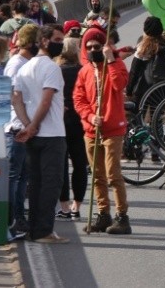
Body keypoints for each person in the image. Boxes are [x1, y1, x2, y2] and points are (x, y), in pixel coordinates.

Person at [12, 24, 69, 244]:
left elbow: (16, 98)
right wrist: (33, 125)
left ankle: (34, 229)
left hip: (33, 135)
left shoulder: (24, 67)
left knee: (35, 184)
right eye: (57, 39)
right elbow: (46, 100)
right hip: (51, 134)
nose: (61, 44)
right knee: (51, 184)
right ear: (44, 41)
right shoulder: (51, 68)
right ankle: (44, 231)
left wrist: (27, 125)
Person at [73, 27, 132, 234]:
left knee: (113, 174)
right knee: (98, 176)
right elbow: (78, 99)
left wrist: (111, 60)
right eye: (88, 47)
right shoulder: (84, 71)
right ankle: (103, 214)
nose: (92, 50)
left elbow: (119, 84)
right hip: (91, 130)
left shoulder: (116, 65)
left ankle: (122, 217)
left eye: (96, 46)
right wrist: (90, 116)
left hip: (113, 129)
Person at [2, 24, 39, 239]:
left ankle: (18, 217)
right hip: (17, 128)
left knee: (22, 177)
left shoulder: (26, 63)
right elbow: (14, 97)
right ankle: (10, 221)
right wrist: (27, 123)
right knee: (13, 176)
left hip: (24, 127)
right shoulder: (17, 64)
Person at [55, 38, 87, 221]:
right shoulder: (83, 71)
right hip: (80, 120)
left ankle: (64, 206)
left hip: (60, 120)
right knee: (79, 164)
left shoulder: (57, 70)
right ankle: (77, 206)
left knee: (61, 165)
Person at [125, 17, 165, 106]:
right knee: (158, 114)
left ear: (146, 30)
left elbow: (134, 71)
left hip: (144, 88)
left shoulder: (143, 47)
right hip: (163, 89)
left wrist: (129, 90)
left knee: (139, 113)